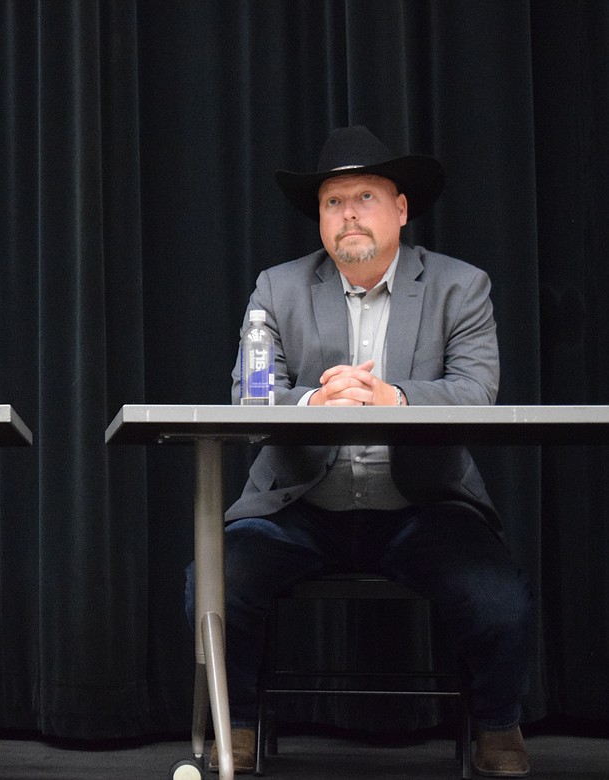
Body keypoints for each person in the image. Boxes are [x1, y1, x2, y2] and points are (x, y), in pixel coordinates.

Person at [207, 126, 532, 777]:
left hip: (424, 506)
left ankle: (497, 725)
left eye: (365, 196)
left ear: (401, 209)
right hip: (300, 506)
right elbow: (254, 393)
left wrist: (393, 398)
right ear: (321, 220)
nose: (348, 214)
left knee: (500, 600)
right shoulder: (277, 289)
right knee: (214, 587)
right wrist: (310, 406)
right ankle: (235, 723)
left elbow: (475, 393)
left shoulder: (459, 287)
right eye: (333, 202)